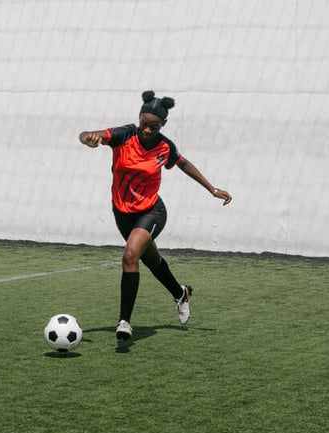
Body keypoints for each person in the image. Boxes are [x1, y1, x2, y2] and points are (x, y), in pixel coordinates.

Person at [79, 90, 232, 341]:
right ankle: (181, 293)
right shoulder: (124, 135)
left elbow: (182, 163)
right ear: (138, 119)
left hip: (152, 211)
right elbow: (87, 134)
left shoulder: (165, 146)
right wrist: (87, 138)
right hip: (122, 213)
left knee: (130, 256)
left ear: (163, 124)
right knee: (151, 259)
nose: (148, 131)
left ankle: (124, 322)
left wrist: (212, 189)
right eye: (144, 125)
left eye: (154, 126)